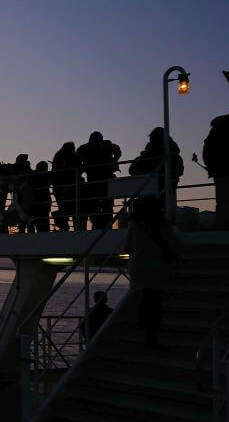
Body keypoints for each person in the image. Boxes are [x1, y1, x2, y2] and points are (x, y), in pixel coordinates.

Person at [125, 197, 180, 350]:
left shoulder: (134, 226)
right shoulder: (162, 225)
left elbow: (127, 248)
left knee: (146, 296)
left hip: (137, 268)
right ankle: (151, 338)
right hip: (156, 268)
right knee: (155, 304)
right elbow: (173, 245)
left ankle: (141, 319)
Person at [129, 127, 184, 211]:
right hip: (150, 191)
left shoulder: (172, 156)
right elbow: (132, 170)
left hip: (160, 191)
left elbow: (178, 171)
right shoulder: (147, 156)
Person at [77, 131, 122, 230]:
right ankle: (99, 225)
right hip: (94, 180)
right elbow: (78, 157)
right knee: (96, 205)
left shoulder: (106, 145)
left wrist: (114, 161)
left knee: (106, 205)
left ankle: (105, 225)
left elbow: (118, 151)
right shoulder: (86, 148)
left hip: (105, 180)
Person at [51, 142, 84, 231]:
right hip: (67, 188)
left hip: (60, 188)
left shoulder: (58, 157)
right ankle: (74, 228)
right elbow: (78, 170)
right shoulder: (70, 157)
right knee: (73, 210)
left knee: (65, 210)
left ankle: (65, 229)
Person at [30, 161, 53, 232]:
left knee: (40, 221)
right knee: (43, 221)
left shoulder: (33, 175)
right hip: (42, 201)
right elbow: (51, 178)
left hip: (39, 201)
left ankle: (41, 232)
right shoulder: (44, 175)